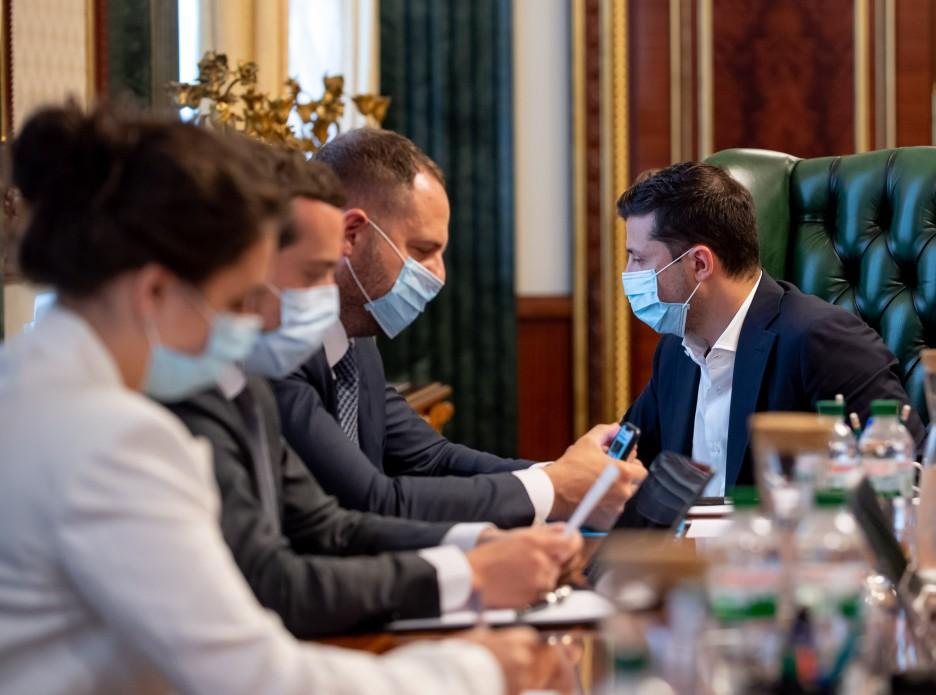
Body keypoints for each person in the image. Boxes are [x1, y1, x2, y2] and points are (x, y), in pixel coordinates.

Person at [0, 104, 551, 695]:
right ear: (155, 291)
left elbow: (325, 528)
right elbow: (256, 676)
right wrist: (477, 669)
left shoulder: (36, 384)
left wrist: (471, 554)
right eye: (238, 300)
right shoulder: (114, 438)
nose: (262, 320)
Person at [167, 148, 582, 638]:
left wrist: (478, 541)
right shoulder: (217, 383)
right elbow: (276, 579)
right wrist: (471, 571)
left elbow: (331, 524)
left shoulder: (271, 373)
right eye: (313, 273)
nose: (328, 293)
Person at [274, 128, 645, 529]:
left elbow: (432, 459)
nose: (439, 274)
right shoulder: (278, 350)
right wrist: (556, 487)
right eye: (422, 250)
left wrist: (569, 475)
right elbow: (370, 501)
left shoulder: (357, 343)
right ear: (351, 234)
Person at [617, 162, 926, 495]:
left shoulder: (821, 340)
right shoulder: (675, 351)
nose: (629, 273)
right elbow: (622, 462)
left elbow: (910, 483)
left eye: (638, 259)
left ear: (699, 264)